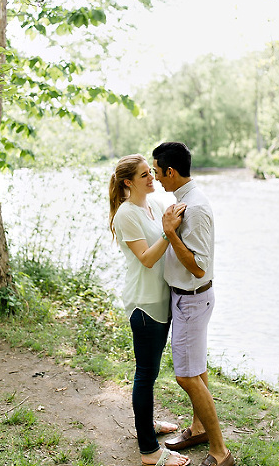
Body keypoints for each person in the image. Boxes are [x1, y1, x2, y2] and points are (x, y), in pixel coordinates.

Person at [151, 142, 235, 466]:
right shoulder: (183, 201)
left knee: (186, 377)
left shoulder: (195, 207)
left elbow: (199, 267)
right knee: (197, 370)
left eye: (158, 173)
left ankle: (220, 452)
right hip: (185, 299)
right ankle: (199, 429)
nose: (157, 179)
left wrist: (170, 233)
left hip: (192, 301)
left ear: (171, 172)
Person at [109, 154, 190, 466]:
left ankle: (147, 425)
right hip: (144, 305)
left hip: (162, 300)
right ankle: (149, 451)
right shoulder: (126, 215)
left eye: (151, 172)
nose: (152, 178)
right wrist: (169, 233)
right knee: (145, 375)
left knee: (151, 373)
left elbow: (174, 224)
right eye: (145, 175)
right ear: (129, 182)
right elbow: (146, 258)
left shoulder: (154, 205)